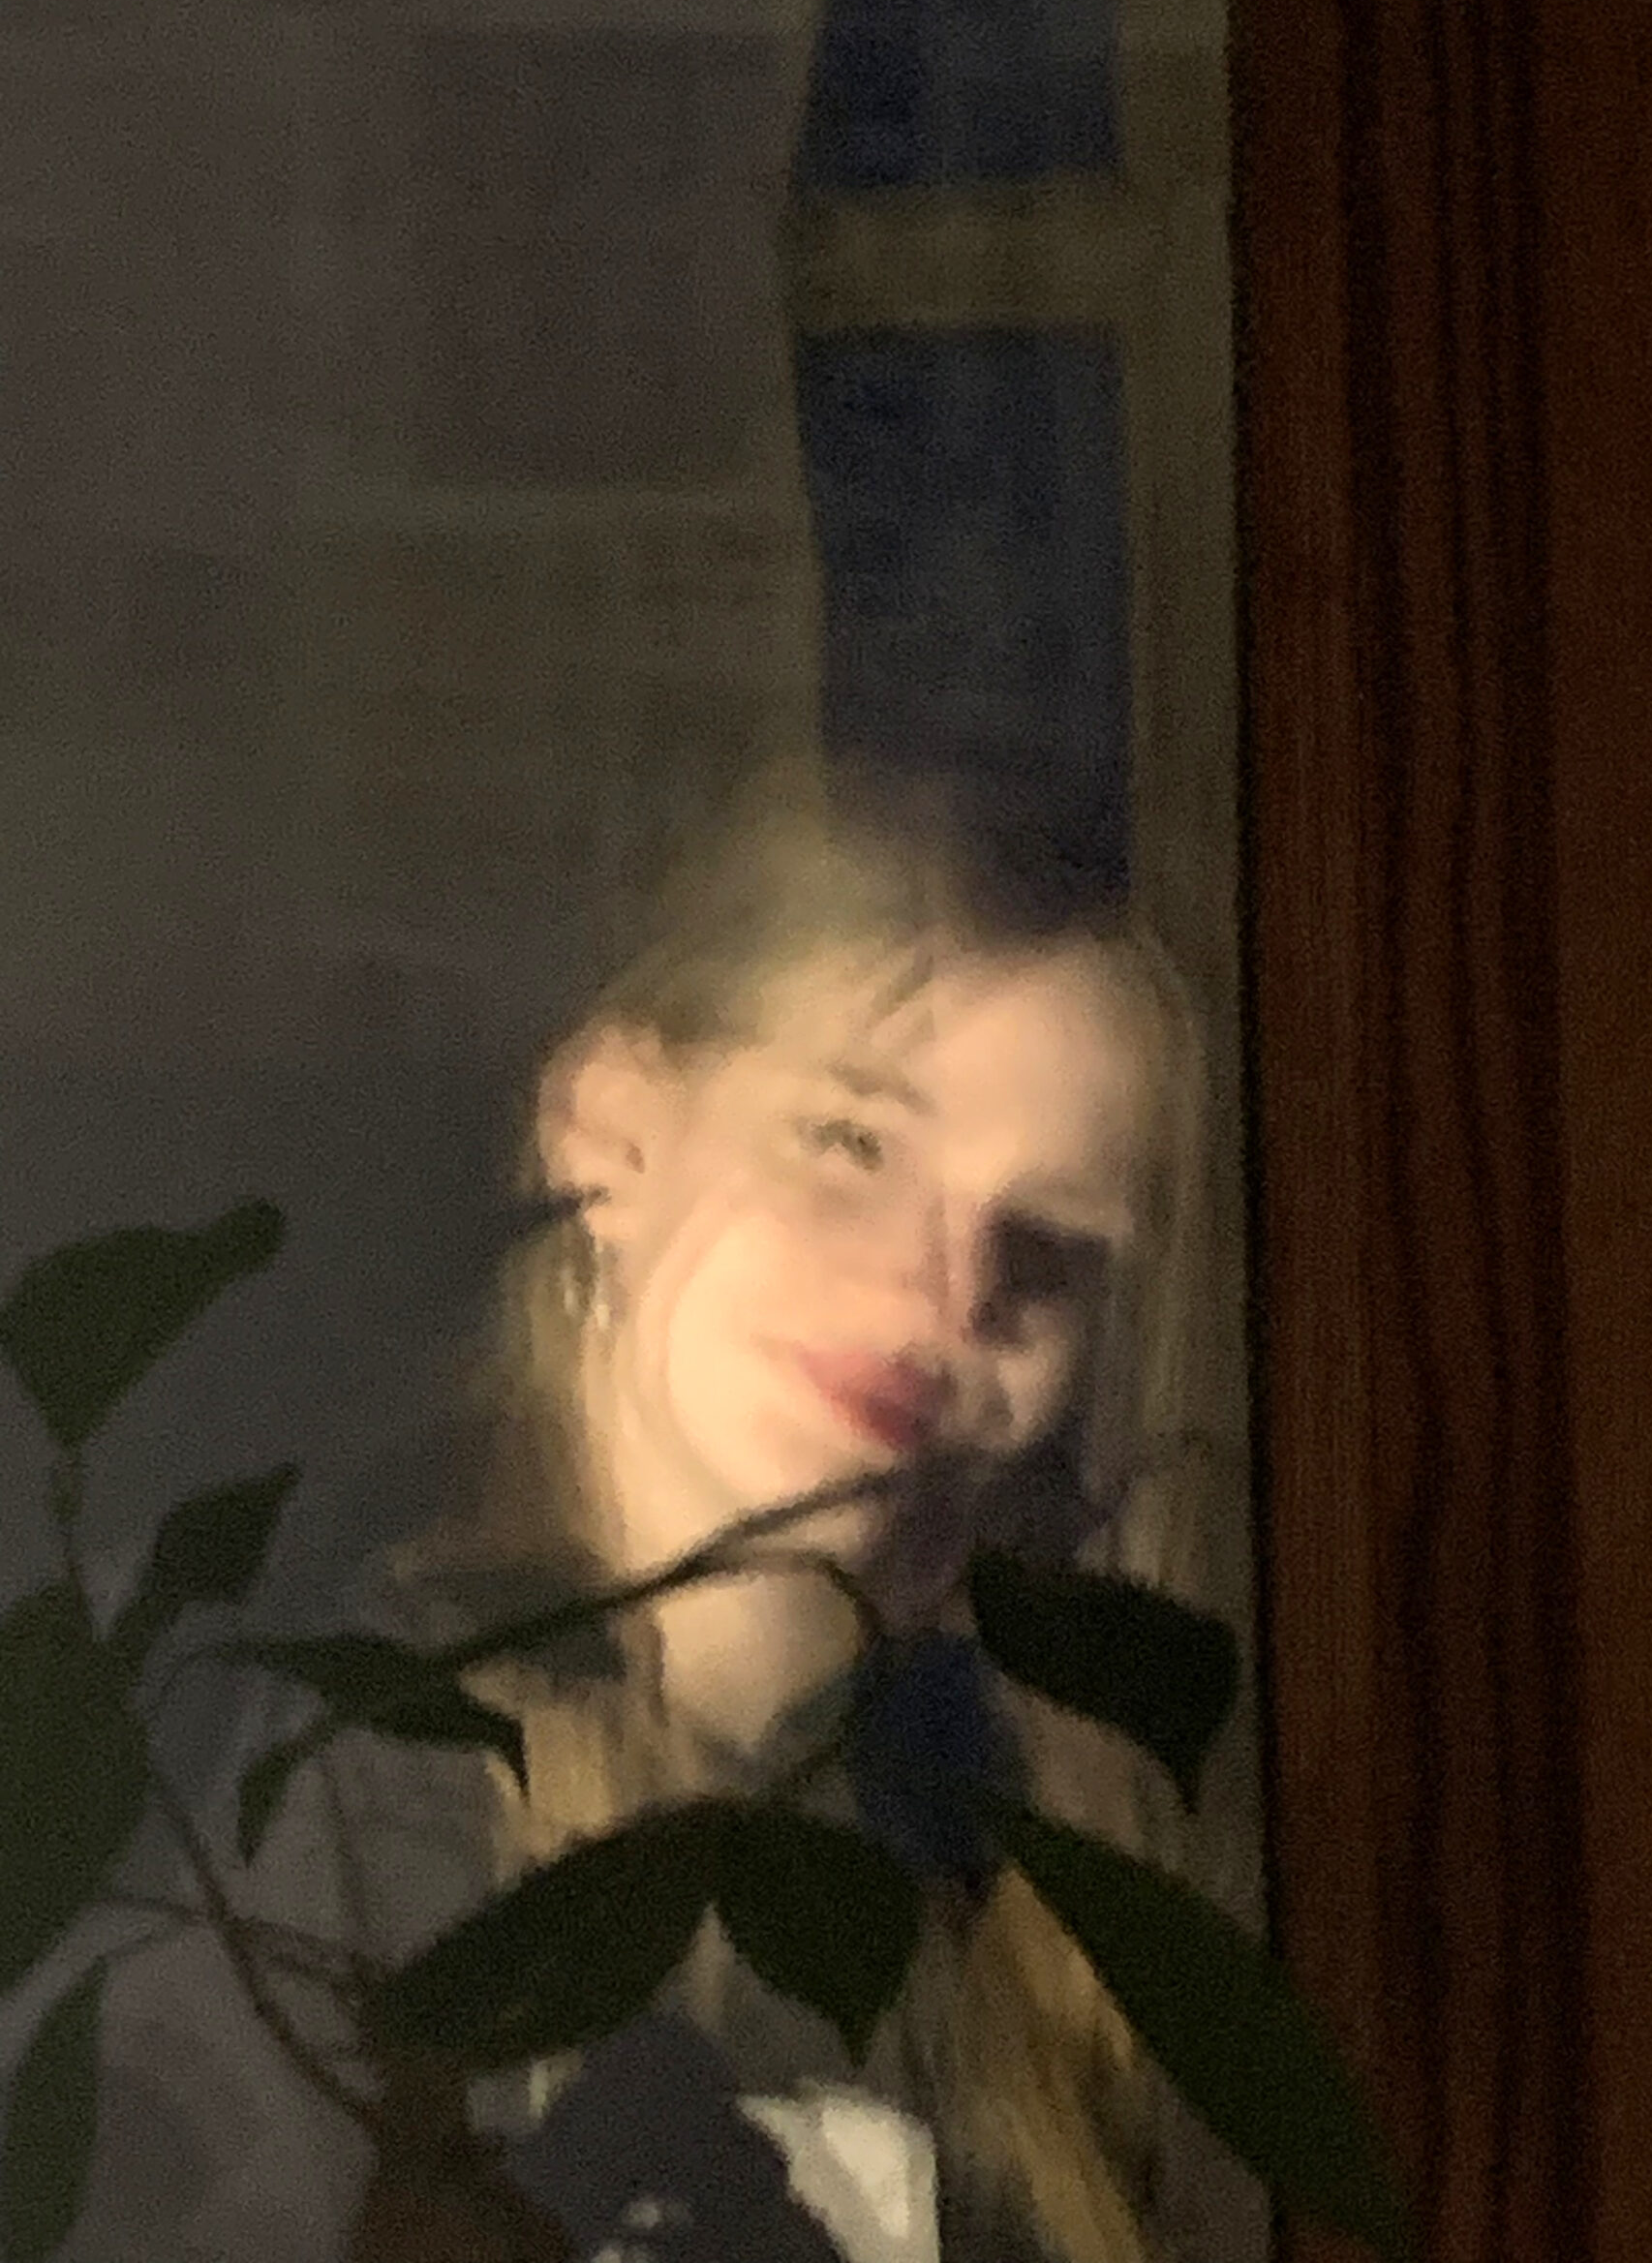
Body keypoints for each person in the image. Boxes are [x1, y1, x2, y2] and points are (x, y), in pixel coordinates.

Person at [18, 753, 1221, 2263]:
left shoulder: (1030, 1879)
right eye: (849, 1141)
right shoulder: (289, 1778)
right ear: (614, 1130)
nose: (947, 1291)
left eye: (1046, 1244)